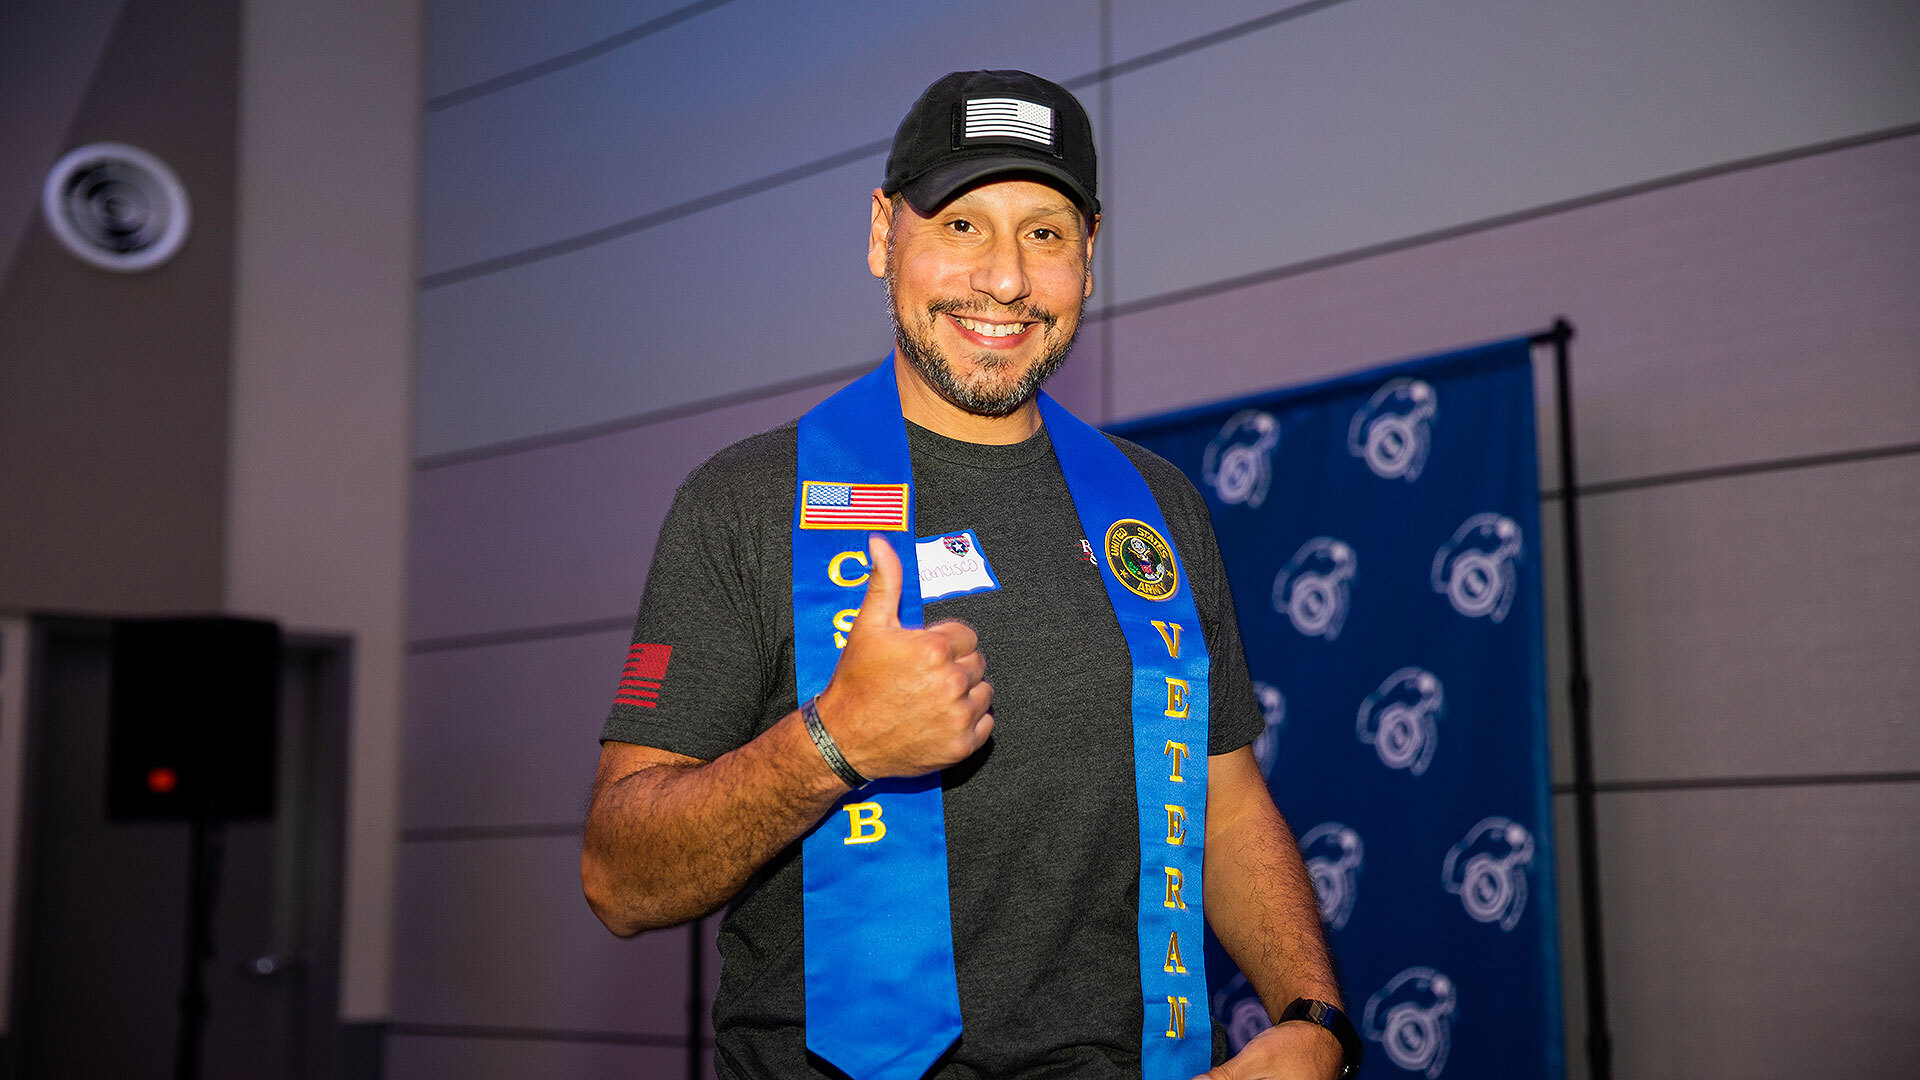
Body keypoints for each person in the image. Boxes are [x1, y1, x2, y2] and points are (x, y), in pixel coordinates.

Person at [582, 70, 1358, 1080]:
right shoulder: (746, 503)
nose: (1004, 279)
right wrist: (833, 743)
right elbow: (617, 878)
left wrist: (1313, 1018)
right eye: (959, 225)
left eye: (1045, 233)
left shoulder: (1154, 508)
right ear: (880, 236)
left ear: (1091, 253)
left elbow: (1225, 800)